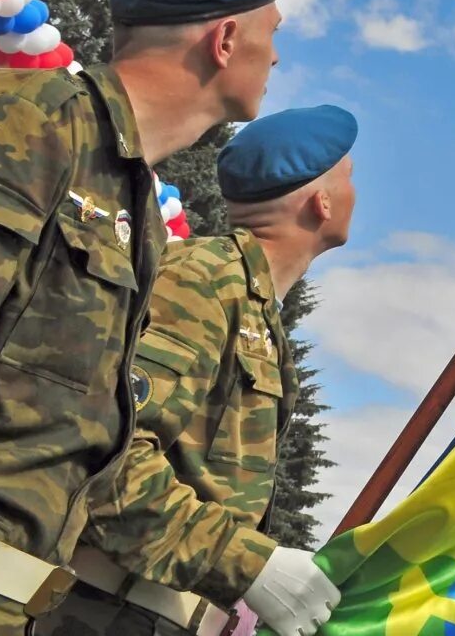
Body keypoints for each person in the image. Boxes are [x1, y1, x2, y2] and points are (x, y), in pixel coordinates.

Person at [0, 0, 293, 635]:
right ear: (224, 40)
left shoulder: (130, 204)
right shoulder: (28, 120)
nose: (276, 57)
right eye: (271, 35)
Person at [39, 107, 356, 636]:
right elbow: (103, 450)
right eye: (349, 179)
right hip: (102, 612)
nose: (354, 194)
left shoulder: (248, 303)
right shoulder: (202, 281)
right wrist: (247, 563)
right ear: (321, 203)